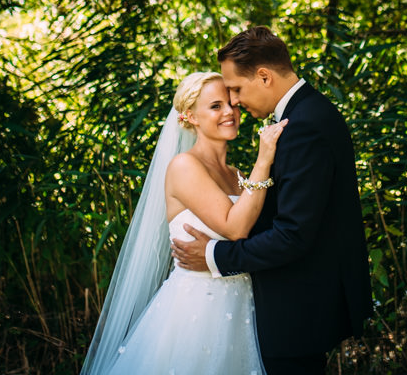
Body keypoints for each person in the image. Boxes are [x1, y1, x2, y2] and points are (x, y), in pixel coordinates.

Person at [173, 26, 373, 375]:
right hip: (270, 307)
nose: (233, 103)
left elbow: (292, 233)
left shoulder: (304, 125)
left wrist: (214, 255)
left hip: (298, 309)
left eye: (234, 89)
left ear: (263, 76)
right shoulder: (307, 115)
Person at [80, 71, 287, 375]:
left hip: (244, 306)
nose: (230, 112)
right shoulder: (184, 167)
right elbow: (235, 229)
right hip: (196, 312)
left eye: (233, 104)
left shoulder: (237, 174)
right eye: (216, 106)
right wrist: (264, 158)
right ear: (190, 116)